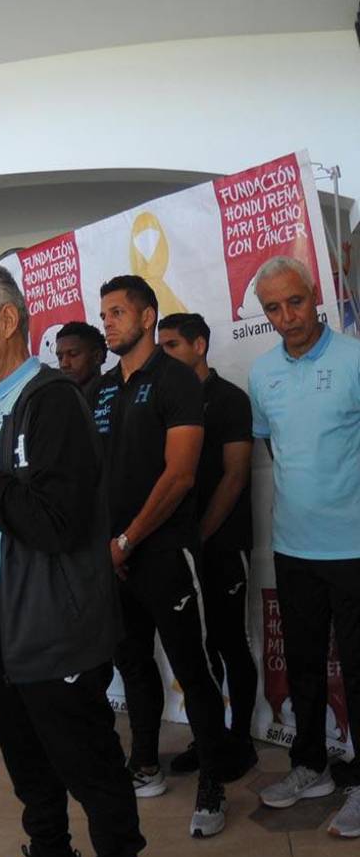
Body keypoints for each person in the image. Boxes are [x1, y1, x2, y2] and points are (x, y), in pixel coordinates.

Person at [0, 260, 143, 857]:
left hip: (50, 614)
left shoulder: (52, 401)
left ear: (9, 319)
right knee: (23, 752)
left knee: (86, 758)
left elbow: (58, 525)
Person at [90, 274, 228, 837]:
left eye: (118, 312)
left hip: (165, 553)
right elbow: (96, 475)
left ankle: (213, 788)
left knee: (193, 670)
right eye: (105, 314)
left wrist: (127, 540)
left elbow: (181, 475)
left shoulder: (175, 380)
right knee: (133, 665)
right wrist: (107, 545)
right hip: (113, 558)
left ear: (148, 317)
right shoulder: (100, 388)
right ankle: (144, 764)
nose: (109, 323)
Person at [247, 256, 360, 838]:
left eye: (294, 301)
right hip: (295, 549)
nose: (287, 316)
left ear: (314, 295)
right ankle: (310, 766)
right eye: (273, 308)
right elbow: (270, 450)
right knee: (306, 666)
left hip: (355, 548)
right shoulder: (262, 374)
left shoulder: (354, 359)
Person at [158, 312, 259, 778]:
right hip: (179, 548)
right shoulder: (165, 398)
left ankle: (240, 741)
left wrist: (199, 537)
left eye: (173, 345)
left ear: (200, 346)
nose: (165, 355)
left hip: (221, 545)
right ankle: (210, 739)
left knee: (228, 642)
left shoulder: (230, 399)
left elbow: (235, 476)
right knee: (198, 650)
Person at [56, 321, 108, 391]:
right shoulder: (56, 400)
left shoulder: (118, 396)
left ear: (97, 356)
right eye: (60, 358)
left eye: (73, 354)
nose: (64, 364)